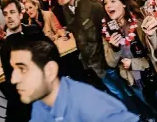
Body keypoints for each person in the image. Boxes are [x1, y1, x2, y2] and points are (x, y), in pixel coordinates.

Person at [54, 0, 138, 113]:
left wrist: (114, 55)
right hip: (93, 64)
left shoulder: (92, 5)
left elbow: (111, 28)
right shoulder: (66, 8)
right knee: (115, 95)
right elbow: (78, 29)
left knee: (126, 92)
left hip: (108, 62)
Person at [9, 35, 139, 122]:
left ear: (49, 71)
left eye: (22, 69)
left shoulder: (92, 108)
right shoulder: (40, 103)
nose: (13, 79)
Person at [102, 0, 157, 120]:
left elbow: (154, 54)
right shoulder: (108, 31)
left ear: (123, 3)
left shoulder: (139, 23)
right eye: (105, 3)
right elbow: (111, 62)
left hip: (151, 77)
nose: (108, 5)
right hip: (132, 82)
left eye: (112, 1)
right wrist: (114, 48)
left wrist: (133, 63)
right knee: (151, 108)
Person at [0, 0, 45, 122]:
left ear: (20, 14)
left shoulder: (34, 30)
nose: (9, 17)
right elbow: (11, 83)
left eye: (12, 12)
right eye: (5, 14)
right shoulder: (5, 49)